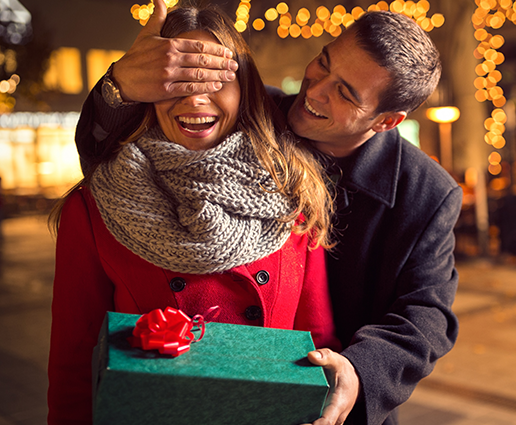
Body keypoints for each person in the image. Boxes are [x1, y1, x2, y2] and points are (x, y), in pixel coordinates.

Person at [74, 2, 462, 425]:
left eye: (345, 92)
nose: (315, 90)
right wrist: (120, 85)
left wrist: (359, 371)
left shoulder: (427, 193)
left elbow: (427, 314)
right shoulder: (253, 111)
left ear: (387, 121)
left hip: (330, 400)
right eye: (324, 63)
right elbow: (109, 151)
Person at [48, 5, 339, 424]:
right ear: (147, 91)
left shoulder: (292, 194)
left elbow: (318, 343)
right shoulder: (95, 207)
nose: (196, 98)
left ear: (245, 92)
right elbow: (72, 369)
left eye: (216, 79)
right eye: (177, 81)